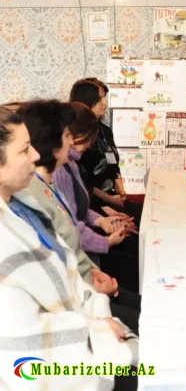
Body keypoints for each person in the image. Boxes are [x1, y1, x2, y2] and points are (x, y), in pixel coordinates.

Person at [0, 106, 138, 389]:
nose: (34, 156)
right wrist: (94, 327)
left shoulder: (25, 205)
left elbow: (66, 269)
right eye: (24, 150)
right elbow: (24, 341)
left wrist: (96, 312)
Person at [69, 77, 143, 223]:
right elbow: (82, 183)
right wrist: (109, 200)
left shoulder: (105, 131)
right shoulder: (76, 138)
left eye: (105, 97)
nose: (105, 102)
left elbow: (113, 163)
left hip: (113, 199)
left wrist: (120, 186)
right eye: (100, 98)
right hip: (93, 205)